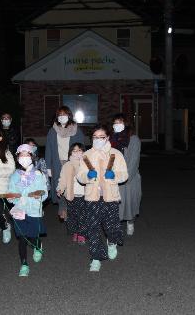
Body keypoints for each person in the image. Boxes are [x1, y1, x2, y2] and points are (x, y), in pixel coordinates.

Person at [77, 125, 128, 272]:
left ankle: (112, 242)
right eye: (95, 137)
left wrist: (115, 176)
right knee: (92, 228)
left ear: (107, 138)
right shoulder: (86, 155)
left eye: (101, 137)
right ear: (92, 138)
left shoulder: (116, 154)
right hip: (92, 197)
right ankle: (95, 258)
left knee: (111, 227)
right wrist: (87, 176)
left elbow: (124, 175)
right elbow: (80, 176)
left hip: (110, 197)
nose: (98, 140)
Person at [6, 144, 48, 277]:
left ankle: (37, 245)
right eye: (21, 155)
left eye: (27, 155)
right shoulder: (14, 176)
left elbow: (44, 192)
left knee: (33, 235)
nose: (24, 158)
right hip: (19, 210)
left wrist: (39, 195)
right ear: (17, 158)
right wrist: (12, 197)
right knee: (22, 238)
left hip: (34, 210)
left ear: (32, 156)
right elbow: (10, 193)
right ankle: (24, 264)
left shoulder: (38, 174)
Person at [45, 106, 84, 217]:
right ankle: (64, 210)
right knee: (60, 186)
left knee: (72, 186)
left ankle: (70, 211)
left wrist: (81, 163)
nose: (62, 117)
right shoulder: (53, 130)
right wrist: (48, 167)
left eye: (64, 114)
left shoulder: (76, 130)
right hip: (57, 163)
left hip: (72, 163)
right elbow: (48, 149)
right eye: (60, 115)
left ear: (69, 116)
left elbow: (81, 147)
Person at [110, 114, 142, 236]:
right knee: (116, 206)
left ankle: (130, 222)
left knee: (130, 204)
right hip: (114, 177)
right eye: (115, 122)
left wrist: (124, 177)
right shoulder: (111, 139)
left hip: (130, 178)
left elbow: (134, 162)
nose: (116, 125)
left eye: (120, 122)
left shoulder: (133, 139)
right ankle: (115, 228)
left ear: (126, 124)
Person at [57, 143, 86, 244]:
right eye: (74, 150)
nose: (77, 152)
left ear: (83, 151)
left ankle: (82, 234)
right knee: (73, 216)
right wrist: (60, 188)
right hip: (71, 195)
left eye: (79, 150)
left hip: (84, 195)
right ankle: (75, 232)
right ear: (70, 152)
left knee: (83, 216)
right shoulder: (67, 165)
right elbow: (62, 179)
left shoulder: (86, 163)